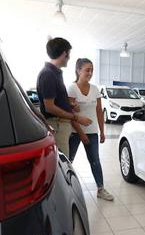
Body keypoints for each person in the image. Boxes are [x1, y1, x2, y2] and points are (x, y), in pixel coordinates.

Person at [67, 58, 114, 201]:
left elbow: (99, 111)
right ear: (78, 70)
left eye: (92, 70)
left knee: (95, 160)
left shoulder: (95, 89)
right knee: (69, 160)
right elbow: (70, 114)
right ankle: (65, 187)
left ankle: (100, 188)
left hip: (92, 131)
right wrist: (81, 134)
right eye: (87, 69)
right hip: (75, 132)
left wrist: (102, 131)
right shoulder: (72, 88)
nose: (90, 72)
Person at [36, 37, 92, 156]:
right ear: (64, 53)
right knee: (62, 161)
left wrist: (68, 105)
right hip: (57, 125)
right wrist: (76, 117)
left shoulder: (55, 73)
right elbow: (49, 107)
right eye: (69, 53)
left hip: (61, 125)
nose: (69, 57)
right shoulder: (48, 74)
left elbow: (54, 101)